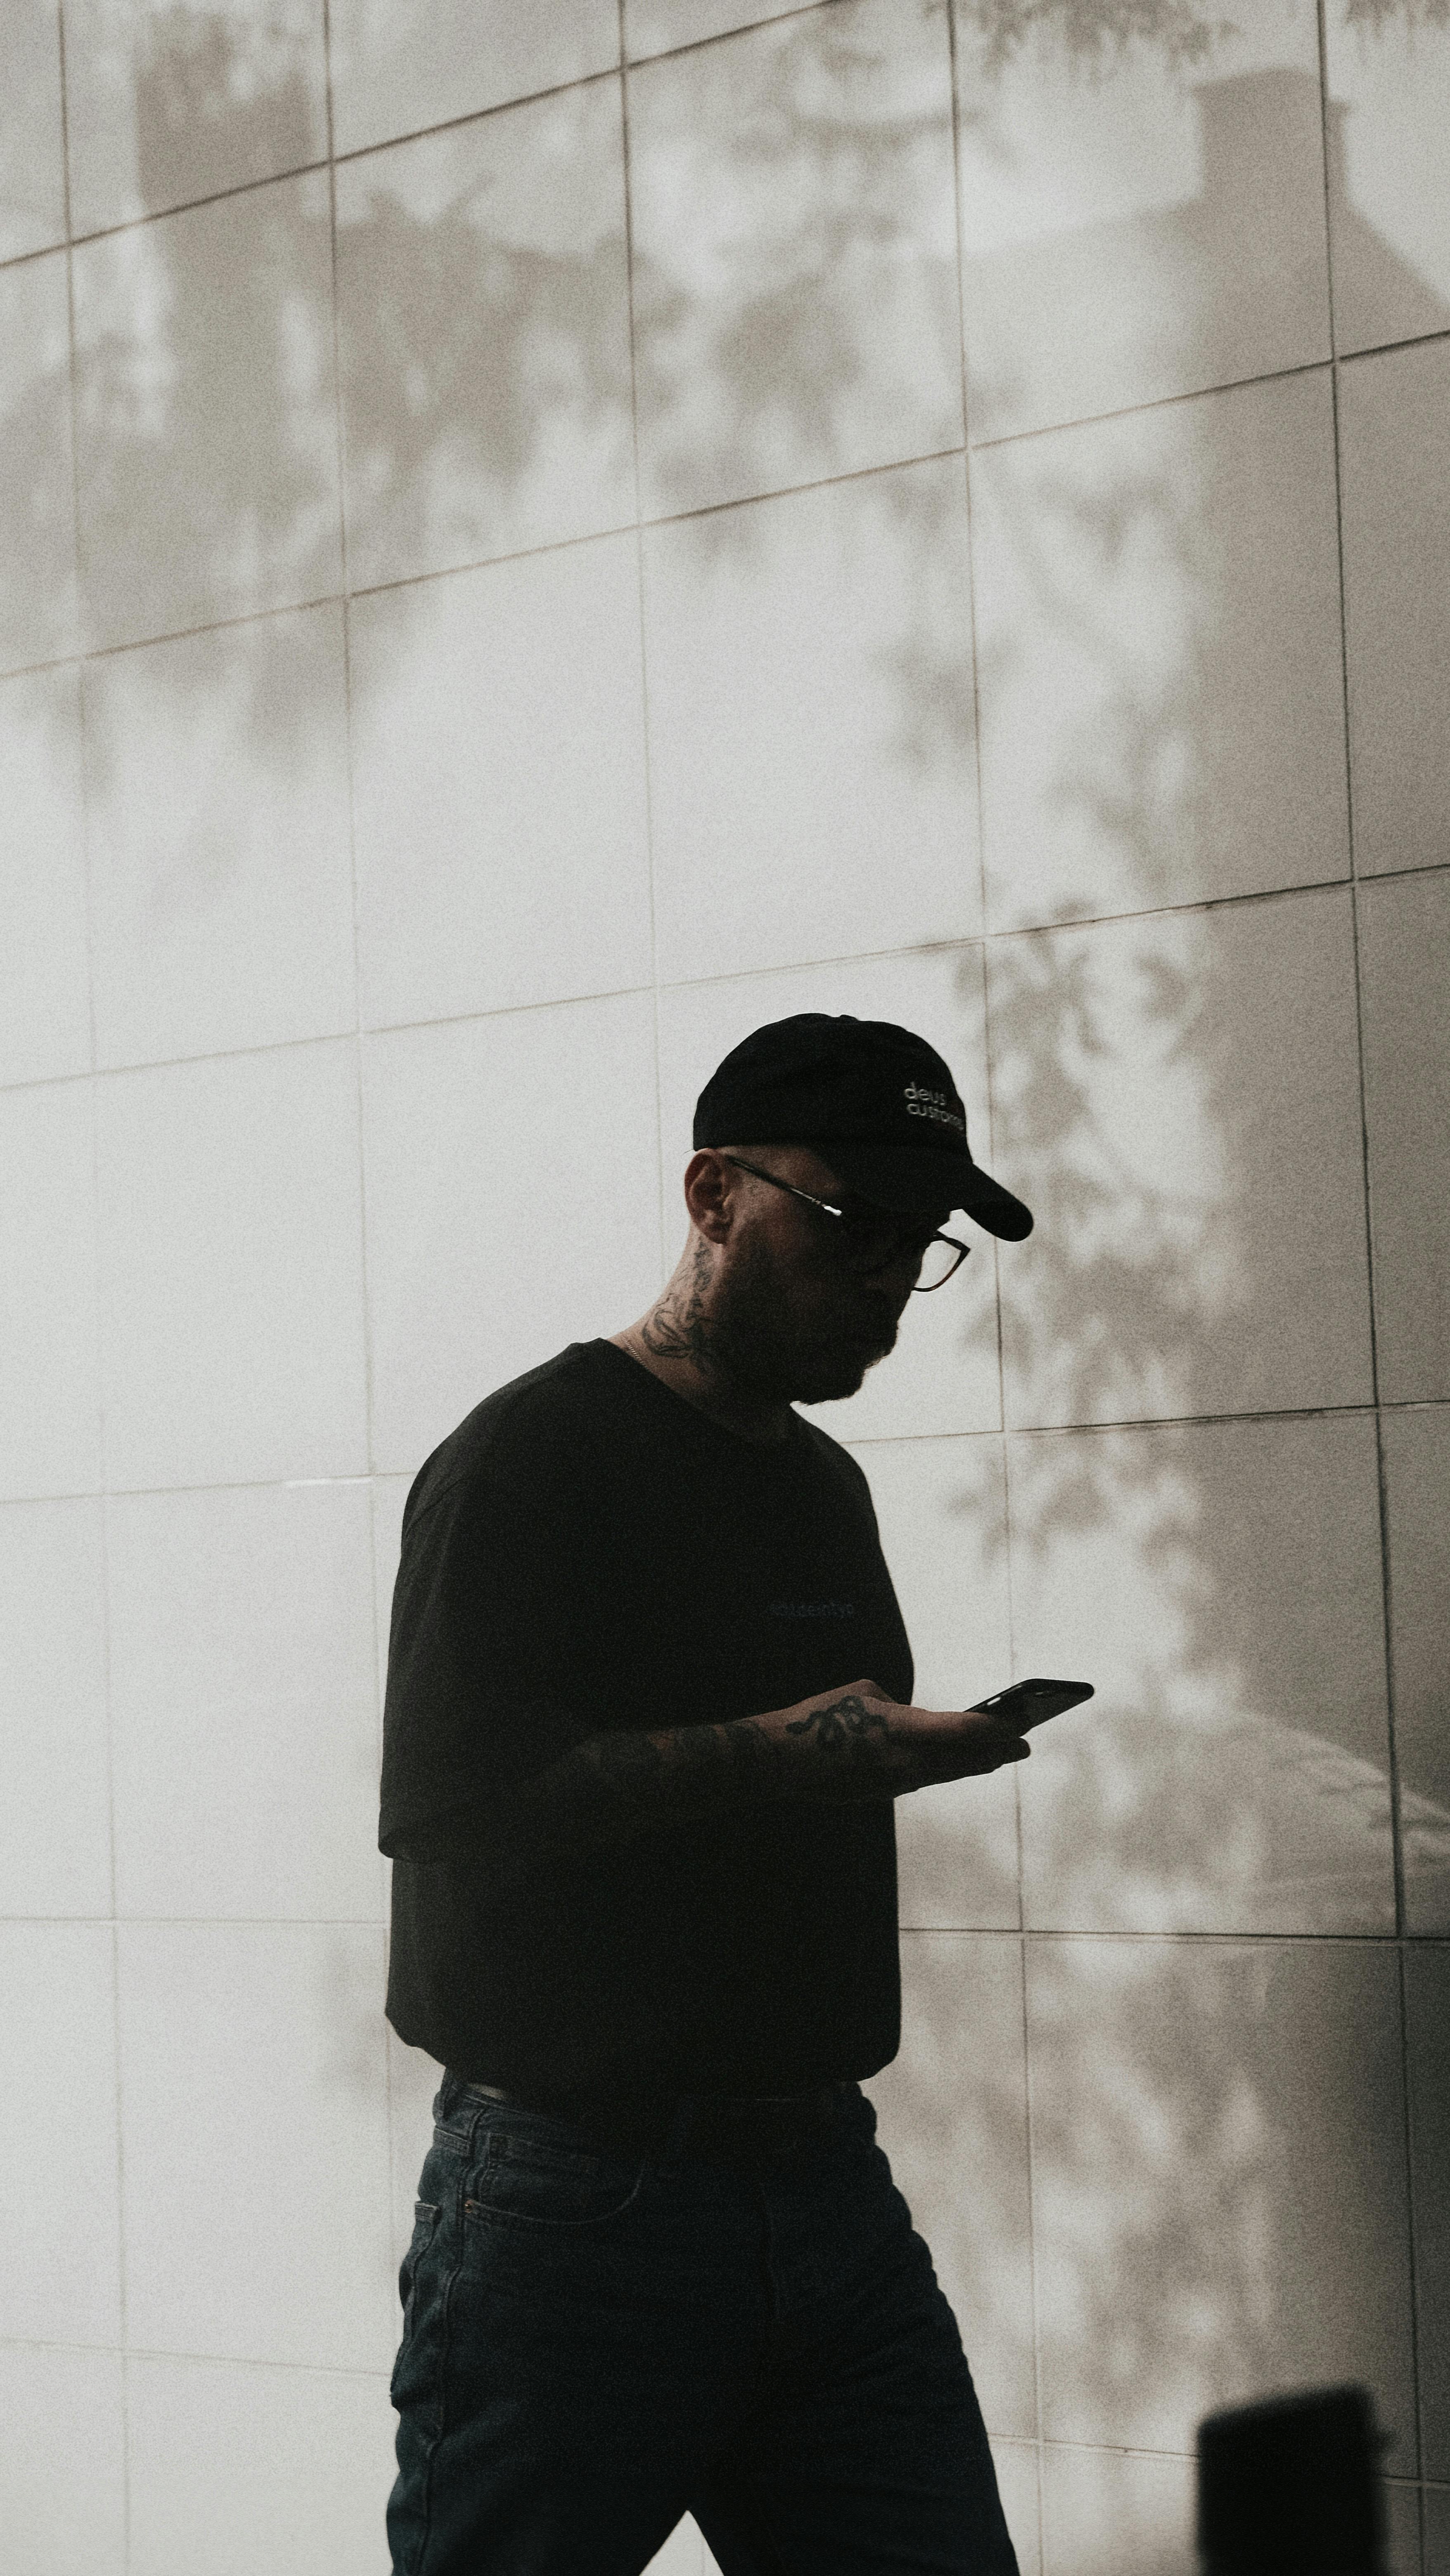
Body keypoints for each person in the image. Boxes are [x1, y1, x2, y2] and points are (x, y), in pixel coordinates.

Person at [381, 1012, 1036, 2576]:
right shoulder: (527, 1461)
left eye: (919, 1241)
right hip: (573, 2216)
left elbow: (826, 1749)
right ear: (712, 1193)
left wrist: (887, 1751)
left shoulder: (824, 1488)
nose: (886, 1274)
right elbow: (458, 1808)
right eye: (851, 1224)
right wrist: (783, 1750)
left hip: (823, 2193)